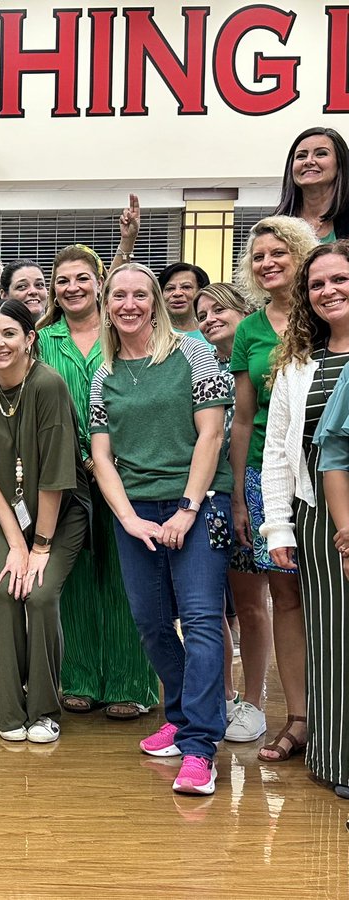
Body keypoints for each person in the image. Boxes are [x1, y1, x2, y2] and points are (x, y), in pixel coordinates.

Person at [89, 263, 234, 797]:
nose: (129, 304)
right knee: (150, 622)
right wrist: (128, 517)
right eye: (119, 295)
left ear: (155, 302)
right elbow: (101, 456)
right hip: (135, 510)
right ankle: (179, 712)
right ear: (108, 305)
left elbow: (211, 434)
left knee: (198, 621)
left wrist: (188, 509)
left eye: (139, 295)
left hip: (199, 503)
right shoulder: (102, 374)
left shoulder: (193, 353)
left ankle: (200, 749)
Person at [0, 300, 89, 743]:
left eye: (9, 334)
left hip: (60, 512)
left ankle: (44, 709)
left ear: (30, 338)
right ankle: (10, 707)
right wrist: (16, 543)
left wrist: (39, 546)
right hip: (4, 514)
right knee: (6, 587)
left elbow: (56, 475)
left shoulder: (48, 385)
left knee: (38, 593)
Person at [37, 245, 158, 719]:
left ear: (100, 285)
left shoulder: (125, 334)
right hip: (66, 477)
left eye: (83, 278)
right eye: (63, 280)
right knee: (78, 580)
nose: (72, 288)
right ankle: (80, 677)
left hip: (130, 471)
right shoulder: (43, 341)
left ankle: (133, 682)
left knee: (131, 580)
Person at [230, 216, 320, 761]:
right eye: (258, 256)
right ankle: (300, 719)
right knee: (284, 598)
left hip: (329, 469)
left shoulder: (327, 314)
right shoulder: (250, 330)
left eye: (278, 253)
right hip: (271, 477)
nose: (267, 263)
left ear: (302, 255)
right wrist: (241, 493)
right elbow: (242, 419)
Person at [265, 241, 349, 798]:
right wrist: (278, 525)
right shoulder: (299, 362)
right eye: (317, 284)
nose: (329, 291)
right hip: (315, 514)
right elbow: (276, 448)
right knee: (330, 638)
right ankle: (336, 757)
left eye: (340, 279)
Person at [195, 282, 272, 741]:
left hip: (251, 491)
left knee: (250, 602)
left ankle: (255, 703)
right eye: (202, 314)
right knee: (208, 607)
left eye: (219, 309)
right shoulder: (200, 366)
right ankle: (223, 697)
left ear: (244, 311)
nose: (209, 319)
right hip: (209, 499)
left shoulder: (257, 369)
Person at [275, 126, 349, 243]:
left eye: (321, 154)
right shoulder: (274, 227)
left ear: (340, 164)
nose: (308, 161)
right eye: (301, 156)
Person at [157, 262, 210, 340]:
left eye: (186, 287)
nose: (177, 293)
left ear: (201, 292)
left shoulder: (212, 330)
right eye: (170, 288)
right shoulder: (152, 332)